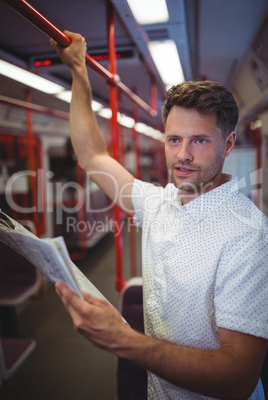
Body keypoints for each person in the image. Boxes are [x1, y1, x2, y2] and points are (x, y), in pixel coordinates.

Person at [51, 31, 268, 399]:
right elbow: (93, 157)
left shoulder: (247, 234)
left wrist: (126, 342)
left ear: (228, 144)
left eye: (199, 140)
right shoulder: (160, 203)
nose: (182, 154)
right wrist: (79, 71)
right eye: (173, 139)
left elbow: (238, 377)